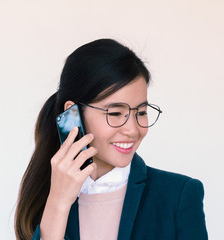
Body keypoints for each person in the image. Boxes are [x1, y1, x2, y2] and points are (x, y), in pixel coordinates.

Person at [15, 39, 208, 240]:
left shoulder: (178, 195)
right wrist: (58, 203)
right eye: (115, 113)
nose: (133, 130)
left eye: (141, 112)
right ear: (73, 113)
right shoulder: (46, 197)